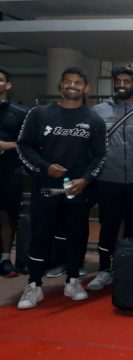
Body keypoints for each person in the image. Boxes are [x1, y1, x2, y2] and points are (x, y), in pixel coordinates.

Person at [16, 66, 107, 309]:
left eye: (78, 82)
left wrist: (85, 180)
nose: (73, 86)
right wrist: (44, 168)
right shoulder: (39, 114)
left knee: (77, 235)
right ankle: (34, 285)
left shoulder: (94, 119)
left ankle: (73, 280)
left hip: (78, 189)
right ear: (61, 85)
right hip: (45, 187)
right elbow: (23, 147)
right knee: (40, 235)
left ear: (85, 88)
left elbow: (100, 156)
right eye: (68, 82)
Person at [87, 67, 133, 291]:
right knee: (108, 226)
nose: (122, 84)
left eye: (126, 81)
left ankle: (129, 269)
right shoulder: (98, 110)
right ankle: (104, 270)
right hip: (107, 179)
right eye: (118, 81)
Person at [0, 67, 28, 277]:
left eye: (0, 80)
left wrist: (5, 145)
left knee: (6, 216)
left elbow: (28, 143)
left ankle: (4, 258)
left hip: (9, 172)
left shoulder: (20, 113)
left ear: (8, 85)